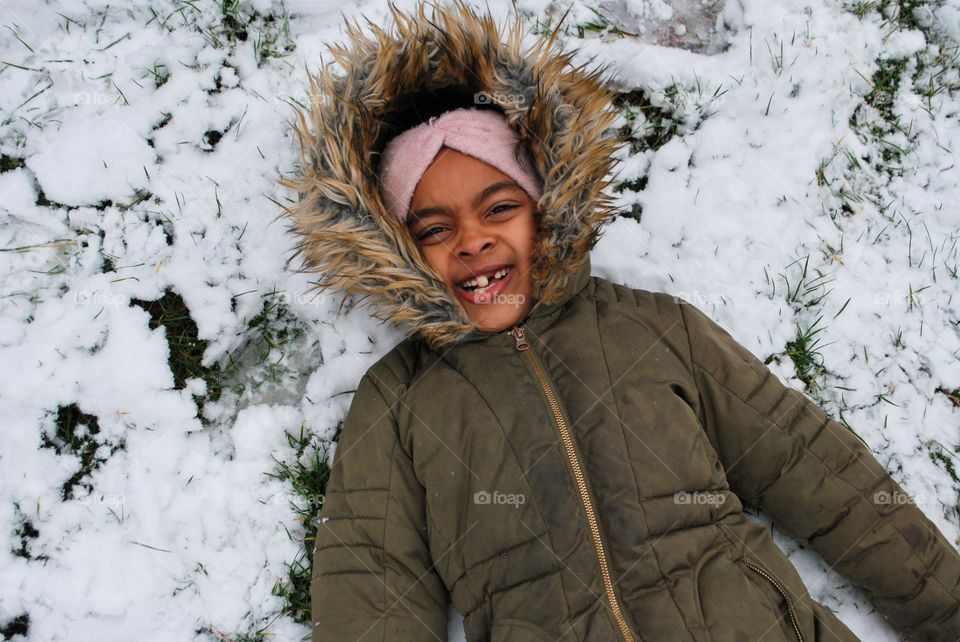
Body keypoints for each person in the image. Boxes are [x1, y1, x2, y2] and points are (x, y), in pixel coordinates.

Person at [280, 1, 960, 640]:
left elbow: (819, 473)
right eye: (433, 228)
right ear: (395, 249)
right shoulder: (400, 404)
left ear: (545, 206)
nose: (473, 241)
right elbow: (372, 587)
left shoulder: (658, 331)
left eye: (498, 208)